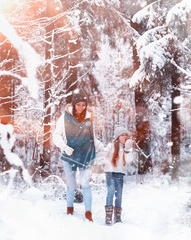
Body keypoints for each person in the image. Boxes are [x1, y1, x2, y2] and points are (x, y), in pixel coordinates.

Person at [52, 89, 103, 222]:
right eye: (78, 104)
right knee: (71, 185)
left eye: (83, 105)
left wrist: (102, 147)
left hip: (85, 155)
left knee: (85, 184)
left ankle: (88, 213)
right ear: (74, 104)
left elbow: (91, 138)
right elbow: (56, 135)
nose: (81, 107)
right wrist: (64, 147)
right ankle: (69, 210)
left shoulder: (89, 118)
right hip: (69, 155)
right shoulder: (64, 118)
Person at [103, 126, 135, 225]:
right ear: (117, 137)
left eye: (126, 135)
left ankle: (117, 217)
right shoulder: (110, 146)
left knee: (119, 195)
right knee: (111, 191)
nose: (125, 137)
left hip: (120, 174)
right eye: (122, 135)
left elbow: (129, 160)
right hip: (110, 172)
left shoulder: (127, 148)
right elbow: (103, 155)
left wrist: (127, 150)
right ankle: (108, 217)